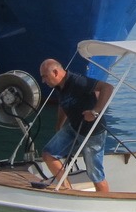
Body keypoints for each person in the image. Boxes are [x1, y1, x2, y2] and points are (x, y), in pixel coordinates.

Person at [39, 58, 114, 193]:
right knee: (48, 154)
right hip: (73, 127)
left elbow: (107, 87)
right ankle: (66, 189)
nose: (43, 81)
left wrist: (95, 111)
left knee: (95, 174)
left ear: (55, 72)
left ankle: (104, 204)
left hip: (92, 132)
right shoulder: (58, 86)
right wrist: (59, 125)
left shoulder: (77, 81)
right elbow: (63, 104)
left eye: (45, 76)